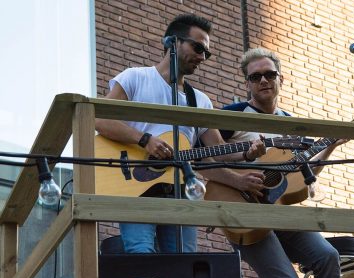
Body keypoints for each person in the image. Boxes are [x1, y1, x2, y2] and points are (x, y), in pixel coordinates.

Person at [95, 14, 265, 254]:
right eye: (197, 48)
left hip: (180, 191)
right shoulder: (135, 77)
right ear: (172, 42)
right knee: (141, 253)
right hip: (134, 186)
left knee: (184, 262)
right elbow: (100, 120)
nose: (202, 57)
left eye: (206, 53)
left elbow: (214, 155)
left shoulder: (200, 101)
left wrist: (246, 155)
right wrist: (144, 140)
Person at [215, 48, 347, 278]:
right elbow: (207, 155)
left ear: (281, 79)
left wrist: (330, 147)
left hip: (283, 211)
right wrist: (243, 166)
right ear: (247, 84)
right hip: (245, 212)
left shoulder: (291, 125)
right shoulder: (233, 115)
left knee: (328, 257)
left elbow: (301, 177)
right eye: (256, 76)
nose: (264, 80)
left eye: (269, 74)